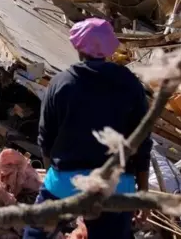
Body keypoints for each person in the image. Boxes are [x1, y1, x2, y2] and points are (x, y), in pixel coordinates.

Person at [23, 17, 153, 239]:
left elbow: (46, 139)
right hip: (115, 187)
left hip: (66, 182)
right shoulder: (130, 84)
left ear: (77, 47)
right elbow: (142, 143)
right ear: (110, 47)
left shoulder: (60, 82)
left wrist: (53, 177)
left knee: (35, 233)